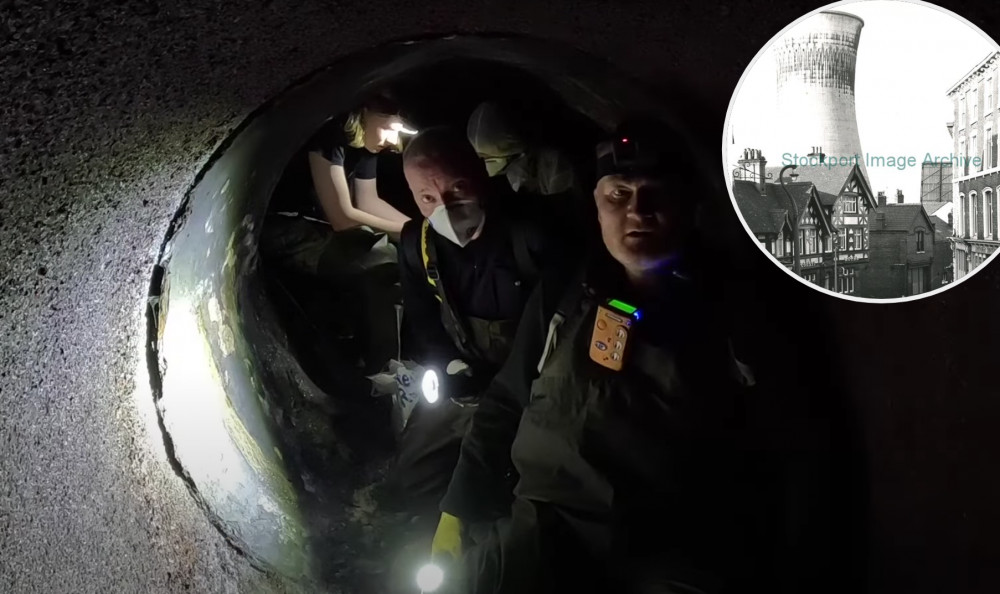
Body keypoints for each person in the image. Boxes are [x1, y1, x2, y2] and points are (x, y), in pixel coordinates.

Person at [429, 118, 767, 594]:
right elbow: (506, 400)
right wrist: (457, 510)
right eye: (618, 195)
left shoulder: (732, 313)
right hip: (543, 528)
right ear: (596, 205)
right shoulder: (565, 292)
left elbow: (778, 455)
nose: (637, 211)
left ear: (689, 208)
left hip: (665, 550)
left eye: (656, 195)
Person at [385, 125, 565, 516]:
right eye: (428, 197)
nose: (444, 207)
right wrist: (449, 367)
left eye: (457, 189)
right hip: (469, 380)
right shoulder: (417, 244)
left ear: (482, 176)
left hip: (536, 383)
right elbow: (423, 320)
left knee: (530, 483)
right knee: (414, 478)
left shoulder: (532, 233)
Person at [262, 90, 416, 375]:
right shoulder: (330, 136)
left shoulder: (368, 146)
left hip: (316, 223)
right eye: (388, 129)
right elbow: (342, 218)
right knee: (383, 261)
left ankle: (394, 359)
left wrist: (423, 230)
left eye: (398, 131)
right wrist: (416, 235)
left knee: (402, 254)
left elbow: (368, 201)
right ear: (365, 113)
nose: (394, 141)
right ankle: (385, 376)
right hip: (285, 228)